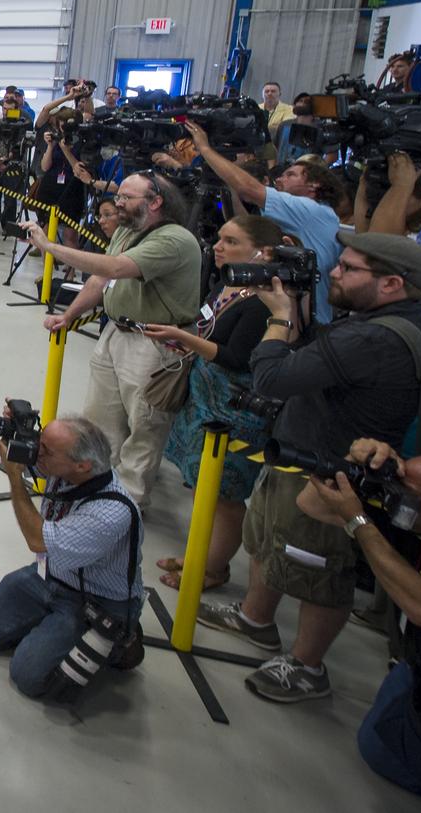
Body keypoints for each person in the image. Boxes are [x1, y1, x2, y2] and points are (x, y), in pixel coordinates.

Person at [199, 231, 421, 704]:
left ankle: (308, 667)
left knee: (320, 570)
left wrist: (279, 315)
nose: (334, 271)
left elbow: (271, 379)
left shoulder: (372, 337)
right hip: (304, 449)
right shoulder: (405, 320)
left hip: (330, 471)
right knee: (270, 538)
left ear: (392, 282)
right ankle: (255, 619)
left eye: (348, 269)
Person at [24, 173, 204, 509]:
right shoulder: (127, 229)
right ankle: (95, 490)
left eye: (126, 197)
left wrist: (51, 247)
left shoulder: (173, 240)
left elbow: (117, 268)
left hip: (153, 343)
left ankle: (127, 506)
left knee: (145, 428)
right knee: (100, 419)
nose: (117, 202)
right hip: (117, 333)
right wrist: (70, 315)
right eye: (118, 195)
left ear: (155, 201)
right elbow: (101, 279)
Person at [297, 440, 421, 802]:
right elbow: (309, 505)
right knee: (377, 747)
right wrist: (350, 467)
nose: (396, 496)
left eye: (409, 493)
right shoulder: (416, 514)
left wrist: (359, 521)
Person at [0, 414, 144, 702]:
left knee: (30, 677)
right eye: (39, 443)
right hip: (51, 575)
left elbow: (37, 540)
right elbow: (36, 460)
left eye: (45, 451)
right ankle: (50, 631)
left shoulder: (111, 513)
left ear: (82, 465)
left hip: (94, 600)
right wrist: (15, 430)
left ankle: (121, 643)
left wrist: (15, 479)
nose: (36, 453)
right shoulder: (67, 469)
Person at [143, 214, 285, 591]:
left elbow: (236, 356)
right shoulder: (229, 285)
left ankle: (214, 567)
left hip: (233, 411)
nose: (218, 247)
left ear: (264, 252)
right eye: (219, 239)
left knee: (225, 495)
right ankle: (199, 555)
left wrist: (183, 339)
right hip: (203, 401)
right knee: (203, 487)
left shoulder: (263, 303)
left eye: (231, 242)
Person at [183, 119, 343, 320]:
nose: (279, 180)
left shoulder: (312, 210)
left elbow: (249, 190)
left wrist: (205, 149)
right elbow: (244, 224)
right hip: (289, 314)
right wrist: (228, 182)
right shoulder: (296, 215)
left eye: (290, 175)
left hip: (308, 320)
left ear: (314, 186)